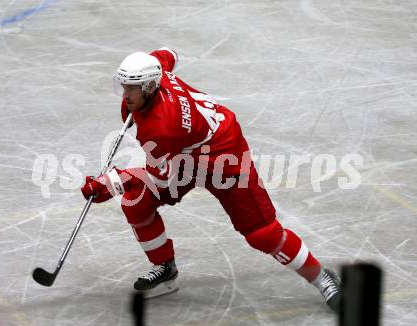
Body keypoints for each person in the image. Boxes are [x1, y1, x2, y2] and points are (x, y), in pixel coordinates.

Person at [81, 47, 341, 311]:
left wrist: (113, 181)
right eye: (123, 86)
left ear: (149, 86)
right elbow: (167, 53)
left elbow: (158, 179)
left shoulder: (161, 129)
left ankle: (322, 278)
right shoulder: (157, 73)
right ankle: (165, 268)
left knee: (262, 234)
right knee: (137, 203)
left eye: (132, 89)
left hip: (223, 156)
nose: (125, 95)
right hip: (184, 153)